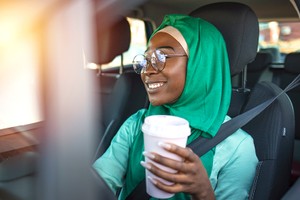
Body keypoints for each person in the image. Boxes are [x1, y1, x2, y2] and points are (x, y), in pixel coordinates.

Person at [93, 14, 258, 200]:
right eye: (146, 59)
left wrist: (203, 192)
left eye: (161, 56)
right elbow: (97, 183)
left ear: (199, 64)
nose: (147, 69)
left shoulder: (237, 146)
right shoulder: (137, 123)